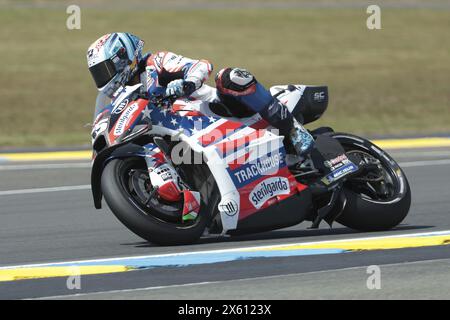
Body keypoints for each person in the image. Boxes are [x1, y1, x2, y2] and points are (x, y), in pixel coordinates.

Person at [86, 32, 314, 156]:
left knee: (231, 77)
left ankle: (294, 130)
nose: (103, 78)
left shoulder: (156, 62)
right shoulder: (122, 95)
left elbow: (201, 65)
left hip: (214, 112)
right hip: (185, 136)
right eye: (97, 73)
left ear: (123, 56)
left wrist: (187, 84)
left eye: (104, 69)